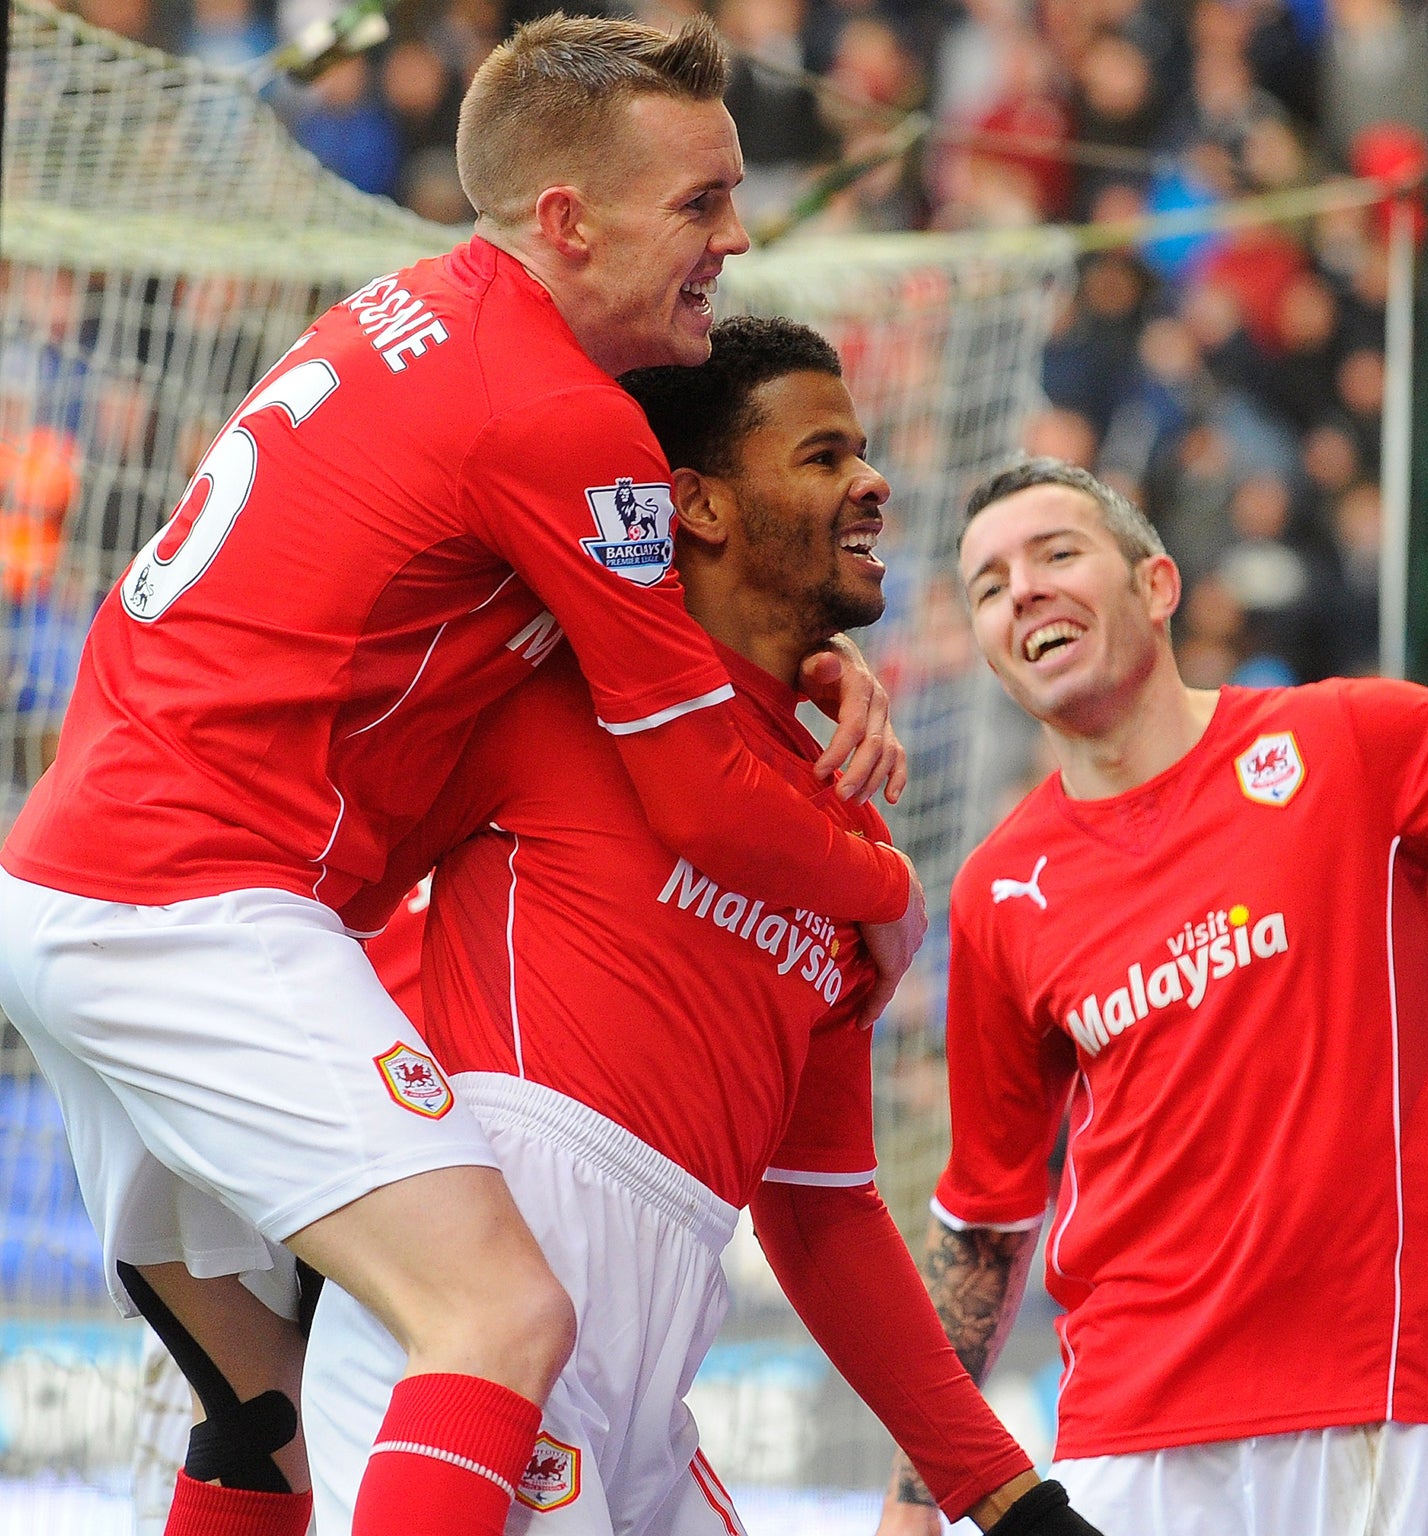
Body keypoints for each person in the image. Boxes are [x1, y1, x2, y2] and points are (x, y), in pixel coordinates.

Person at [0, 19, 925, 1536]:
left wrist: (809, 649)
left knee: (266, 1410)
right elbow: (695, 792)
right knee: (495, 1317)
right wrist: (882, 886)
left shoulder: (415, 315)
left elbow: (583, 606)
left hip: (71, 882)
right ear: (571, 218)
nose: (737, 237)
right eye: (700, 202)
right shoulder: (558, 421)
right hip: (199, 907)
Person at [302, 319, 1101, 1536]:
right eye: (823, 456)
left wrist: (1006, 1499)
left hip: (652, 1376)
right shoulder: (535, 694)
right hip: (467, 1321)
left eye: (864, 452)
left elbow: (824, 1206)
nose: (872, 483)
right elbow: (317, 877)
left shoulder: (846, 838)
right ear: (702, 507)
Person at [878, 457, 1428, 1535]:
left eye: (1057, 554)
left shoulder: (1343, 742)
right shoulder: (997, 891)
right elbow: (983, 1225)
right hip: (1123, 1429)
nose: (1024, 591)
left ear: (1155, 586)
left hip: (1376, 1402)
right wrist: (918, 1501)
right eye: (988, 583)